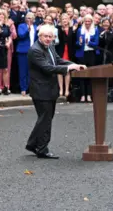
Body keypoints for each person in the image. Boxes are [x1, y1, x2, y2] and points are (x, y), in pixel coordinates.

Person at [25, 24, 85, 159]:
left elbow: (57, 60)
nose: (48, 39)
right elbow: (47, 68)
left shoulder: (50, 46)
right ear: (39, 36)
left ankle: (32, 144)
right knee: (45, 119)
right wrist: (68, 69)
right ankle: (42, 149)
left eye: (50, 37)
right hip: (41, 90)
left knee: (45, 119)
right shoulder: (35, 50)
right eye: (45, 36)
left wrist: (73, 65)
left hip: (50, 89)